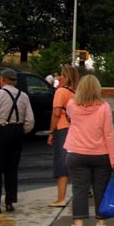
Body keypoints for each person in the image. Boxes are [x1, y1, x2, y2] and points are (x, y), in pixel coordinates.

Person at [64, 74, 114, 226]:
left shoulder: (72, 104)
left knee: (79, 190)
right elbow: (108, 134)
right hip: (100, 154)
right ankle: (101, 225)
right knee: (100, 190)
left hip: (76, 152)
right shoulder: (104, 107)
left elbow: (69, 117)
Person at [0, 68, 35, 214]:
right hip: (17, 131)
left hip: (1, 131)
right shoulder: (23, 96)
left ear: (3, 80)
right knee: (12, 168)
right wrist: (21, 131)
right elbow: (30, 120)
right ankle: (10, 202)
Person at [46, 65, 80, 207]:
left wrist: (51, 131)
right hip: (75, 129)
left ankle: (61, 197)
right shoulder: (76, 93)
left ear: (65, 76)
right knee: (75, 162)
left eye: (61, 74)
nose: (59, 77)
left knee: (61, 163)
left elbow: (56, 113)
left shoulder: (61, 92)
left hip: (62, 128)